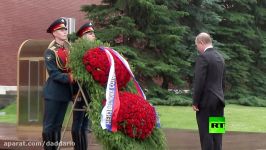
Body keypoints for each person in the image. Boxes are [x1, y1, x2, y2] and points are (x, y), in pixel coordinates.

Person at [42, 17, 74, 150]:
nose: (65, 31)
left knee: (58, 125)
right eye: (61, 30)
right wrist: (71, 78)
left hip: (64, 94)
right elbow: (54, 74)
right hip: (53, 93)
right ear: (54, 33)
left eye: (65, 29)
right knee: (49, 125)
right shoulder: (50, 52)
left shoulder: (68, 50)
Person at [192, 32, 225, 150]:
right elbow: (222, 82)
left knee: (206, 134)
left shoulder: (203, 57)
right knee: (217, 134)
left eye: (197, 45)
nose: (197, 49)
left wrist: (195, 102)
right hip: (219, 101)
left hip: (206, 102)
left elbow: (199, 81)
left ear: (201, 42)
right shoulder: (220, 58)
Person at [71, 22, 95, 150]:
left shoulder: (93, 50)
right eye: (90, 33)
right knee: (77, 124)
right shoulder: (76, 51)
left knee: (85, 125)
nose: (93, 35)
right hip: (79, 92)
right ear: (83, 36)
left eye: (93, 33)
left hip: (89, 91)